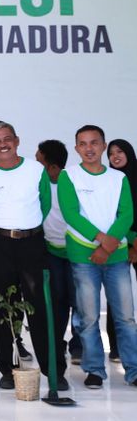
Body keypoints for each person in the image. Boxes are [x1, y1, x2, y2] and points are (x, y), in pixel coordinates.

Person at [0, 121, 67, 390]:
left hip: (32, 243)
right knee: (2, 307)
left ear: (17, 140)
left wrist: (27, 226)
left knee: (40, 307)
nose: (2, 144)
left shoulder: (36, 170)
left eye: (7, 138)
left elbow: (45, 203)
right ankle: (7, 369)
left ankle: (53, 370)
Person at [58, 125, 137, 388]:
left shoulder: (118, 178)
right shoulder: (69, 177)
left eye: (94, 143)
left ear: (103, 146)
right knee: (88, 316)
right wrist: (103, 242)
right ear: (77, 148)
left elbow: (126, 214)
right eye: (83, 143)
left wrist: (107, 247)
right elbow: (72, 214)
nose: (89, 148)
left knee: (125, 317)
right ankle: (94, 370)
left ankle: (134, 369)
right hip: (83, 256)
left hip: (116, 257)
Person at [36, 139, 82, 365]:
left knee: (78, 300)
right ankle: (57, 343)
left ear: (52, 166)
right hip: (51, 251)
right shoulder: (40, 184)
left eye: (39, 161)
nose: (36, 166)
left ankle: (78, 346)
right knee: (57, 300)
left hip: (75, 252)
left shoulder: (72, 182)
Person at [105, 138, 137, 362]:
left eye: (119, 151)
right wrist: (130, 239)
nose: (115, 156)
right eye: (111, 153)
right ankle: (116, 348)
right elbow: (110, 215)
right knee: (117, 297)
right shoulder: (110, 181)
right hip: (119, 243)